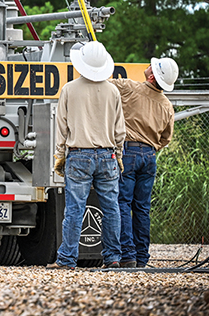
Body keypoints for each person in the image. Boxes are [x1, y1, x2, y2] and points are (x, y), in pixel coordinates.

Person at [51, 41, 126, 269]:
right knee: (111, 207)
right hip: (107, 155)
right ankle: (113, 257)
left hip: (78, 155)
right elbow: (119, 129)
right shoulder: (113, 91)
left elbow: (61, 127)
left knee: (74, 208)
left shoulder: (69, 89)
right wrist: (119, 154)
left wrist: (60, 155)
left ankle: (67, 259)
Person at [110, 57, 178, 268]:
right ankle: (142, 257)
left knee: (122, 202)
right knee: (142, 207)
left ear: (151, 76)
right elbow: (166, 138)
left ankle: (127, 254)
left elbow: (103, 83)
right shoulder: (166, 105)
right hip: (150, 156)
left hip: (128, 152)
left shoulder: (129, 88)